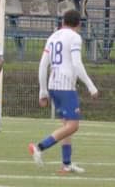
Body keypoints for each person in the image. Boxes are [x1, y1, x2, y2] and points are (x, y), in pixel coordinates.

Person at [28, 9, 98, 174]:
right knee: (73, 126)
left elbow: (43, 64)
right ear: (79, 24)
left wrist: (43, 91)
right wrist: (91, 86)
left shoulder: (53, 37)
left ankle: (66, 164)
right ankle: (39, 147)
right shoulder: (74, 37)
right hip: (66, 85)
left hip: (53, 84)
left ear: (63, 21)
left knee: (67, 125)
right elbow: (76, 64)